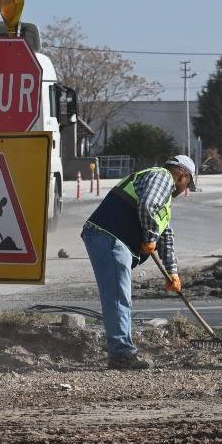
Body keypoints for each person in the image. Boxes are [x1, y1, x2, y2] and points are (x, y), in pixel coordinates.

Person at [82, 154, 196, 369]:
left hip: (112, 239)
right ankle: (122, 354)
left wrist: (173, 273)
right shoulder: (162, 177)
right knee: (118, 296)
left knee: (120, 295)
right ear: (183, 175)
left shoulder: (163, 198)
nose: (185, 189)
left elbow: (165, 237)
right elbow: (147, 205)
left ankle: (121, 350)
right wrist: (150, 238)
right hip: (109, 235)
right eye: (188, 184)